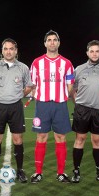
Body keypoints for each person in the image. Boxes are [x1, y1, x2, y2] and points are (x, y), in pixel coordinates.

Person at [0, 38, 33, 183]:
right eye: (5, 49)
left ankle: (20, 171)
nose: (8, 51)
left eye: (11, 48)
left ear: (16, 51)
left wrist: (18, 96)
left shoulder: (23, 68)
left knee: (18, 139)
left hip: (16, 107)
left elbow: (29, 86)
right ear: (2, 51)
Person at [30, 30, 75, 183]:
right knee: (41, 136)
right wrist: (38, 97)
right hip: (42, 106)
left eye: (55, 40)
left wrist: (63, 97)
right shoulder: (36, 62)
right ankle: (38, 172)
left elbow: (70, 85)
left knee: (60, 137)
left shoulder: (67, 63)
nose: (52, 42)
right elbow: (33, 84)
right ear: (45, 43)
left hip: (60, 106)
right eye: (49, 40)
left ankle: (61, 173)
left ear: (59, 42)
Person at [71, 40, 99, 184]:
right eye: (92, 51)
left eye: (97, 51)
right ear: (87, 53)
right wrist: (77, 103)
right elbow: (72, 89)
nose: (94, 54)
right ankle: (76, 172)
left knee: (97, 141)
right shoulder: (79, 69)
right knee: (80, 140)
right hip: (82, 110)